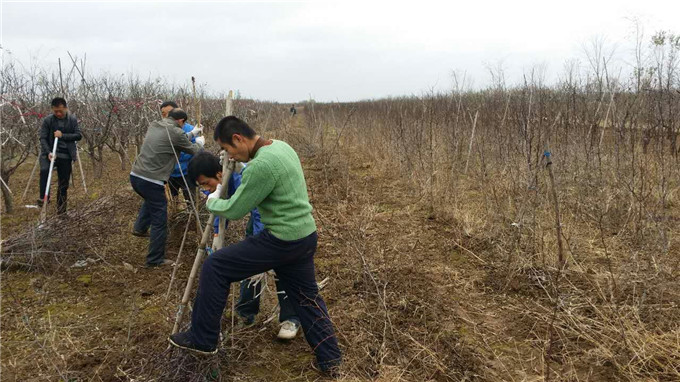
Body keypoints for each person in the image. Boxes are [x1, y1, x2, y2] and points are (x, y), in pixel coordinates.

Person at [169, 116, 341, 377]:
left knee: (216, 266)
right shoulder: (282, 147)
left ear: (238, 138)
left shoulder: (261, 165)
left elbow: (236, 209)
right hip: (305, 235)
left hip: (281, 239)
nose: (229, 156)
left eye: (228, 149)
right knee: (307, 298)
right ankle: (331, 358)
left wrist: (211, 202)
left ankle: (202, 339)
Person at [187, 152, 302, 340]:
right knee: (249, 266)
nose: (206, 190)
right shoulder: (223, 179)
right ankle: (246, 312)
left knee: (281, 265)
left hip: (279, 221)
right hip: (259, 221)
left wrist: (262, 251)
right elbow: (220, 208)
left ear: (219, 174)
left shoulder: (244, 178)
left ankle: (291, 318)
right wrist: (216, 235)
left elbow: (259, 213)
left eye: (206, 183)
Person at [130, 108, 204, 267]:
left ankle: (140, 228)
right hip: (152, 179)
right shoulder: (176, 132)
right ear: (181, 121)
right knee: (159, 220)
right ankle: (155, 259)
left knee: (152, 201)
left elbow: (175, 137)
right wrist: (199, 142)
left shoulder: (155, 125)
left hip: (136, 176)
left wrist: (192, 134)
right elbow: (194, 151)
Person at [38, 97, 82, 214]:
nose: (58, 113)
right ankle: (43, 198)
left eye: (60, 111)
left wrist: (62, 135)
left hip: (65, 154)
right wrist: (48, 152)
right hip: (50, 153)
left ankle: (61, 211)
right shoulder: (48, 120)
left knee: (63, 184)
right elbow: (42, 138)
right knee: (44, 170)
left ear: (66, 108)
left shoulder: (72, 120)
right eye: (55, 111)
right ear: (52, 109)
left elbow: (78, 135)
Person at [159, 101, 203, 208]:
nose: (166, 117)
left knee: (192, 202)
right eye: (163, 114)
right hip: (170, 174)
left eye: (168, 113)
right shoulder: (162, 130)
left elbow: (198, 152)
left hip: (187, 173)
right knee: (170, 202)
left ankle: (193, 218)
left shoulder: (191, 129)